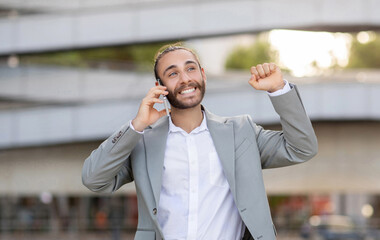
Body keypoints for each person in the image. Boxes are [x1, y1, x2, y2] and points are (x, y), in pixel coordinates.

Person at [82, 44, 318, 240]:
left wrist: (278, 89)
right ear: (160, 88)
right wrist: (137, 125)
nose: (185, 79)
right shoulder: (143, 142)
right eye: (173, 73)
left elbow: (302, 148)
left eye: (191, 69)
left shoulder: (241, 132)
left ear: (202, 75)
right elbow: (93, 179)